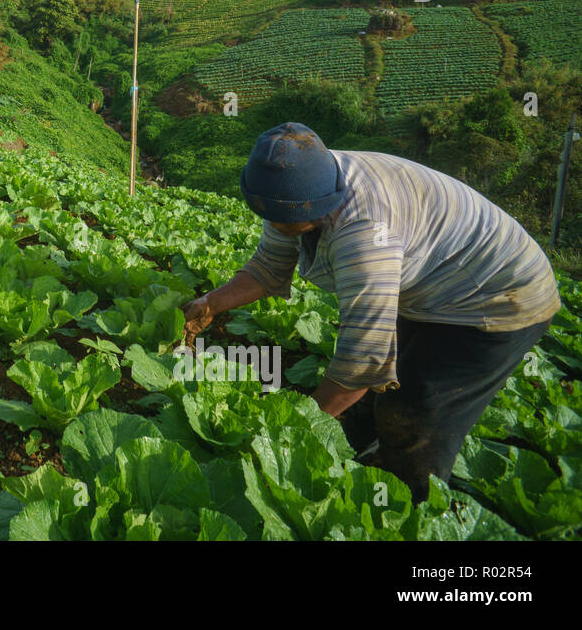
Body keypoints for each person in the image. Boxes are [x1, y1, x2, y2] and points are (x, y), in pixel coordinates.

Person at [183, 122, 560, 502]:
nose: (278, 227)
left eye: (286, 221)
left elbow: (363, 360)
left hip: (497, 295)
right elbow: (269, 265)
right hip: (432, 287)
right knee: (380, 394)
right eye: (271, 216)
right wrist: (208, 305)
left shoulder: (365, 232)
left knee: (415, 410)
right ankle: (361, 456)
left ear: (315, 204)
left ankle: (411, 504)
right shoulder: (297, 186)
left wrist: (296, 430)